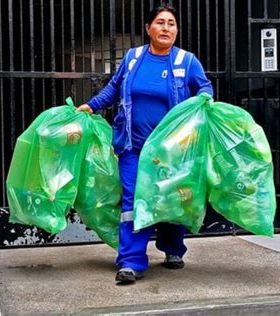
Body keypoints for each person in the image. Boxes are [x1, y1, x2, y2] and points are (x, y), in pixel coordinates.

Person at [76, 4, 213, 284]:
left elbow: (205, 88)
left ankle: (173, 248)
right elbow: (114, 88)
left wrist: (204, 102)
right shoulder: (133, 58)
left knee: (170, 197)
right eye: (160, 22)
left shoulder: (187, 61)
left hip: (171, 151)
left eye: (171, 24)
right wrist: (91, 105)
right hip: (133, 146)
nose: (166, 28)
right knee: (132, 201)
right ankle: (131, 262)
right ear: (148, 28)